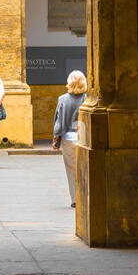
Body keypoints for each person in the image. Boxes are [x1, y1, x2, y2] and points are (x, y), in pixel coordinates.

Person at [52, 70, 87, 207]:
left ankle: (75, 199)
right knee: (85, 168)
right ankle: (86, 196)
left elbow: (59, 123)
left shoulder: (62, 99)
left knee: (71, 169)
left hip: (68, 138)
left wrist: (56, 140)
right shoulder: (87, 98)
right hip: (84, 137)